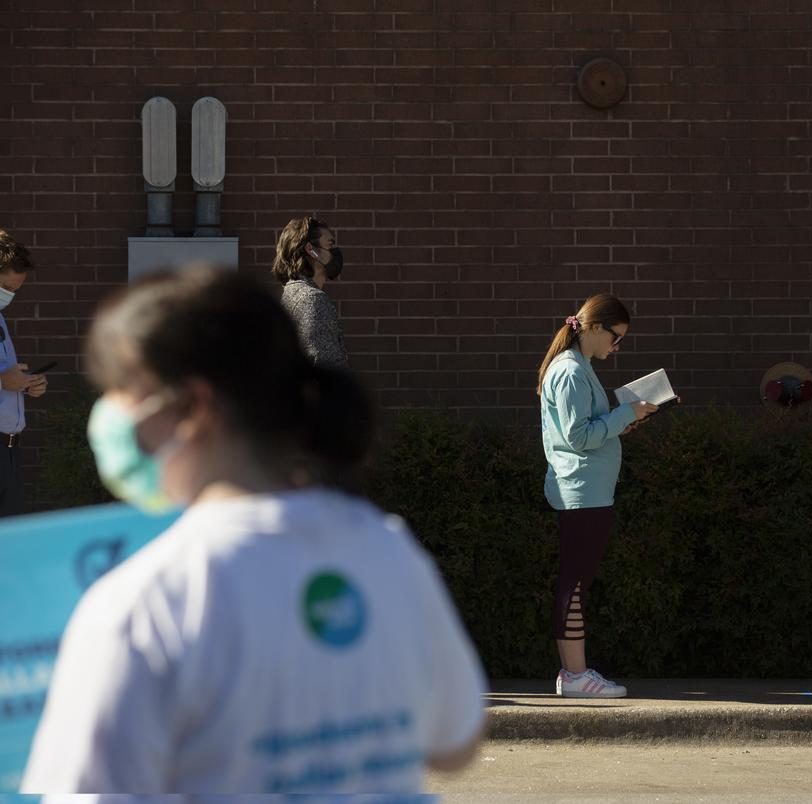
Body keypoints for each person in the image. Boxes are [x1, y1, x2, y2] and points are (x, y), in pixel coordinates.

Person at [21, 269, 485, 795]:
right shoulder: (387, 549)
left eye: (120, 392)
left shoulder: (144, 605)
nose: (108, 418)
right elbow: (455, 742)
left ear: (194, 407)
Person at [537, 293, 656, 698]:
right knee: (574, 584)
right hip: (581, 492)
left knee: (577, 583)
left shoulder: (578, 367)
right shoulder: (570, 371)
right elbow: (578, 436)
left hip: (588, 490)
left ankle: (574, 673)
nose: (616, 346)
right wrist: (626, 414)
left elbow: (586, 429)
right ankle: (574, 675)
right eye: (616, 337)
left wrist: (621, 422)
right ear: (592, 327)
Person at [0, 230, 47, 516]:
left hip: (9, 448)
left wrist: (27, 384)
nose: (9, 296)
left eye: (15, 290)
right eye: (5, 287)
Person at [272, 215, 349, 369]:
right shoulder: (312, 300)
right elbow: (326, 371)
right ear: (311, 250)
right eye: (330, 245)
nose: (335, 252)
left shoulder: (291, 293)